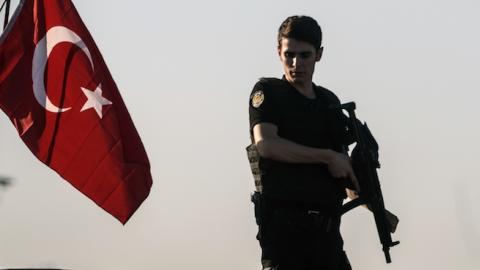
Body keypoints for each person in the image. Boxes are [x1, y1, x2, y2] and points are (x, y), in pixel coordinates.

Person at [247, 15, 358, 270]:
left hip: (327, 237)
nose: (296, 63)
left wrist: (370, 199)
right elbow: (266, 144)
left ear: (319, 54)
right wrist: (327, 157)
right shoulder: (268, 92)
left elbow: (343, 169)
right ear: (279, 52)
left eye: (305, 55)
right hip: (285, 236)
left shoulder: (328, 102)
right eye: (289, 55)